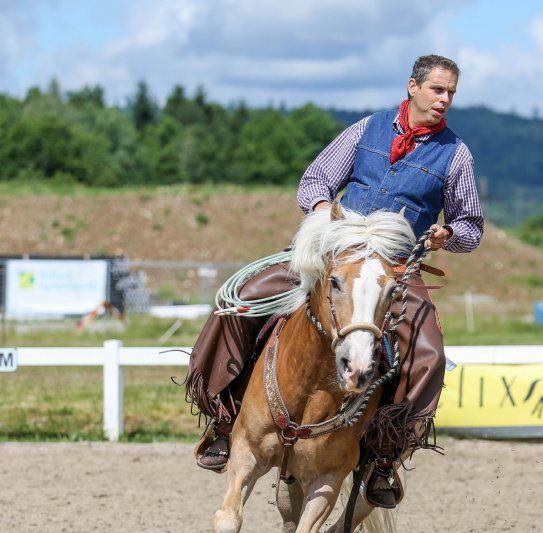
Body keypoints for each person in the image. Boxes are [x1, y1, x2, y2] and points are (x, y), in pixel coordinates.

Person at [184, 54, 483, 508]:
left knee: (429, 354)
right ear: (412, 87)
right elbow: (316, 180)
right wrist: (324, 213)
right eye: (437, 90)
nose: (445, 100)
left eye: (451, 93)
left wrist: (449, 233)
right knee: (241, 299)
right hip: (332, 253)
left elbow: (471, 226)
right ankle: (223, 417)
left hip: (394, 268)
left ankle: (384, 457)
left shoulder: (456, 154)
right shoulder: (365, 130)